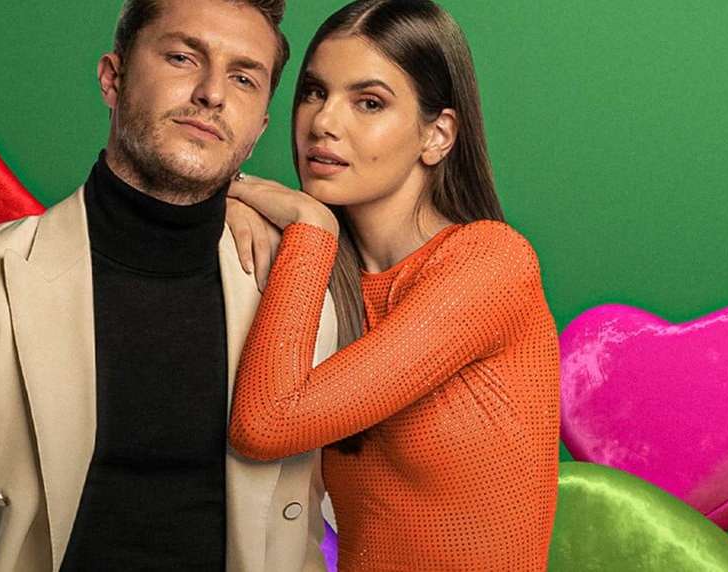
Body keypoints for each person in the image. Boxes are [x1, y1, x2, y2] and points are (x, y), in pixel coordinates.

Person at [0, 0, 338, 570]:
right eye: (183, 57)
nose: (212, 93)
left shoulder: (294, 289)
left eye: (243, 78)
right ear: (113, 78)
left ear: (259, 127)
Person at [225, 0, 561, 569]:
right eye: (314, 92)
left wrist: (310, 225)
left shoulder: (492, 262)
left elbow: (265, 424)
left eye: (369, 102)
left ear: (438, 135)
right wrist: (226, 205)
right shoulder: (316, 274)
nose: (324, 122)